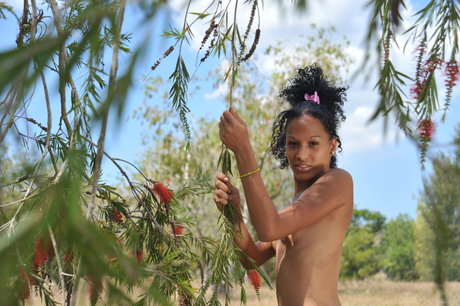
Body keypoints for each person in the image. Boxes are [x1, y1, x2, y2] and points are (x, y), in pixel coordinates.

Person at [213, 64, 353, 306]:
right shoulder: (295, 211)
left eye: (313, 143)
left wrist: (243, 150)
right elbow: (251, 258)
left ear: (332, 146)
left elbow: (269, 228)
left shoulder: (338, 182)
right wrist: (233, 214)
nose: (302, 154)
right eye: (293, 143)